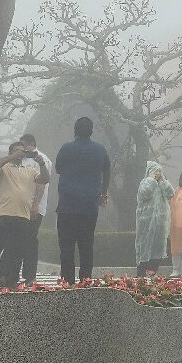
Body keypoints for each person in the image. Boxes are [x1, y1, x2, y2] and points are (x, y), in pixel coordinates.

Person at [0, 141, 49, 287]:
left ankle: (11, 280)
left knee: (16, 250)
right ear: (11, 152)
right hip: (3, 214)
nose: (21, 154)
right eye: (17, 151)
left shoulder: (30, 169)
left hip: (22, 216)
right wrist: (10, 157)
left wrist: (42, 164)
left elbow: (44, 179)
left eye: (22, 151)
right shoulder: (3, 168)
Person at [55, 116, 111, 284]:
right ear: (91, 131)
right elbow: (107, 169)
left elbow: (58, 169)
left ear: (75, 131)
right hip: (89, 207)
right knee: (86, 246)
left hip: (67, 206)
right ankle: (85, 280)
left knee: (67, 247)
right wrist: (103, 192)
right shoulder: (100, 150)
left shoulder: (66, 149)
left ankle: (68, 281)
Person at [17, 133, 52, 284]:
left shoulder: (41, 159)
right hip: (21, 205)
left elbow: (41, 183)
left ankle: (30, 275)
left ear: (31, 144)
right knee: (19, 239)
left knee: (30, 239)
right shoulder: (23, 159)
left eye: (23, 146)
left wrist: (35, 204)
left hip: (34, 206)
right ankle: (16, 273)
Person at [135, 160, 175, 276]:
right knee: (144, 246)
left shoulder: (162, 184)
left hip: (161, 223)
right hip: (146, 222)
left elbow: (171, 194)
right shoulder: (145, 182)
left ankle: (152, 271)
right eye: (155, 170)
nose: (158, 173)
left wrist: (163, 180)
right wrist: (151, 179)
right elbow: (145, 193)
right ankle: (141, 273)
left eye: (159, 170)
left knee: (158, 247)